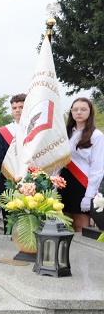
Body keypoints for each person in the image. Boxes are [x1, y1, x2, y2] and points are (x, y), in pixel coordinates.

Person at [59, 97, 104, 232]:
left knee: (80, 227)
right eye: (75, 109)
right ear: (71, 112)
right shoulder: (65, 133)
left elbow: (97, 168)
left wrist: (89, 195)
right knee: (63, 226)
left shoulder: (96, 135)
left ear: (90, 112)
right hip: (64, 182)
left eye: (83, 109)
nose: (79, 112)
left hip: (83, 184)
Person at [0, 94, 26, 206]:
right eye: (14, 108)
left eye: (21, 107)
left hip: (31, 183)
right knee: (8, 221)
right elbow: (0, 159)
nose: (17, 110)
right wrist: (14, 177)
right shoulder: (4, 131)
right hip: (8, 182)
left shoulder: (36, 131)